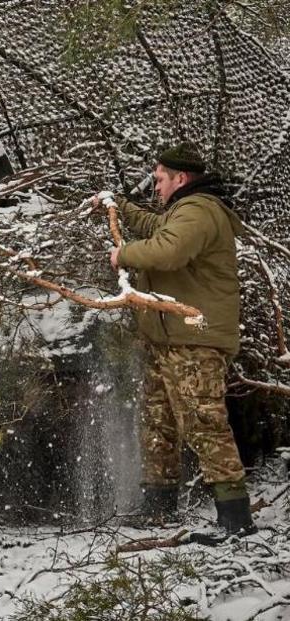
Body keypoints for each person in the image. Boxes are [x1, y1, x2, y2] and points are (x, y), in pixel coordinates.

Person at [93, 141, 256, 537]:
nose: (157, 186)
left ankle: (235, 518)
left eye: (161, 179)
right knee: (158, 422)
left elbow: (168, 251)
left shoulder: (200, 211)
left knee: (203, 422)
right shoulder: (183, 210)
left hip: (195, 339)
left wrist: (124, 254)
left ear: (181, 178)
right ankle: (158, 509)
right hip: (168, 338)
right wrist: (120, 208)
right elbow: (157, 227)